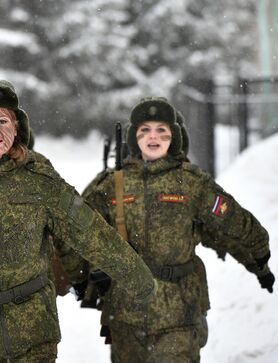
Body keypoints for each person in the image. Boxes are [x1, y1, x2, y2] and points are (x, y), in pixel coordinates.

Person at [0, 80, 157, 362]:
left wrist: (138, 277)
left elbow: (92, 233)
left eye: (2, 121)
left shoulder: (40, 180)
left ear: (17, 126)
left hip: (34, 333)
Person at [79, 97, 273, 362]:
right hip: (126, 316)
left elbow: (233, 224)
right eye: (144, 130)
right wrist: (84, 277)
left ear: (174, 137)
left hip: (179, 314)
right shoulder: (111, 185)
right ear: (134, 138)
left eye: (162, 131)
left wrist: (259, 259)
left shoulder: (191, 183)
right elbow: (76, 233)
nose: (153, 137)